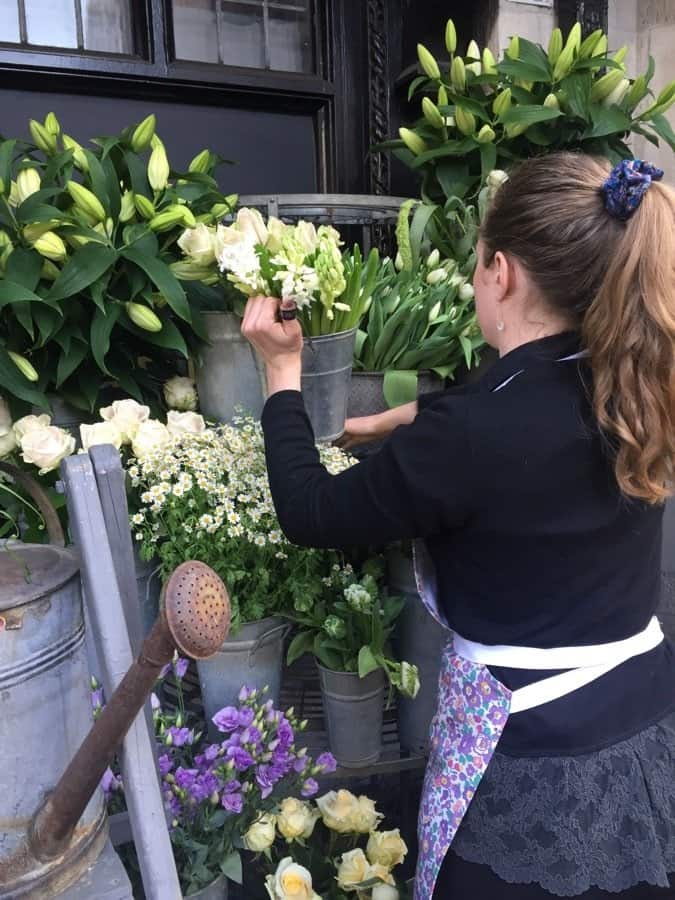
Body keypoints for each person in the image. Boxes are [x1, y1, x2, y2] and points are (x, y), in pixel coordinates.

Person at [241, 152, 675, 899]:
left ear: (499, 272)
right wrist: (406, 416)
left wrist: (281, 375)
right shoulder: (632, 384)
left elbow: (309, 512)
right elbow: (512, 411)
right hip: (641, 718)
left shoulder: (472, 436)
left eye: (477, 264)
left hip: (531, 752)